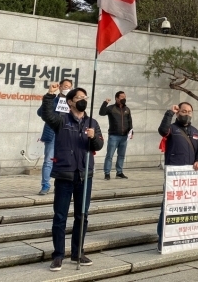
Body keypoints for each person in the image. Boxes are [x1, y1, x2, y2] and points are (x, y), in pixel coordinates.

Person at [39, 83, 104, 272]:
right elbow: (46, 115)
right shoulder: (61, 120)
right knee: (60, 216)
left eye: (85, 98)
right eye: (78, 98)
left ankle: (78, 253)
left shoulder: (92, 123)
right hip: (65, 175)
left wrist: (93, 137)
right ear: (69, 102)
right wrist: (50, 96)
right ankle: (58, 255)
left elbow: (98, 145)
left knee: (81, 216)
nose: (83, 100)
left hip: (85, 175)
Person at [156, 102, 198, 252]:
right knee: (168, 207)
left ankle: (182, 237)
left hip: (190, 177)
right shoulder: (172, 129)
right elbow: (162, 130)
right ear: (178, 113)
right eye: (183, 111)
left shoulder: (195, 131)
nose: (187, 114)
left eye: (189, 111)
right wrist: (169, 113)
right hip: (174, 177)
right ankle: (162, 238)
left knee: (186, 207)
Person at [36, 79, 74, 195]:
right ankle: (45, 185)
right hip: (52, 133)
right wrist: (50, 96)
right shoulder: (53, 99)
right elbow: (40, 113)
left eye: (69, 86)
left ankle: (62, 185)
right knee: (49, 160)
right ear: (60, 87)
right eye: (65, 86)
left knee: (66, 161)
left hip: (67, 135)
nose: (67, 88)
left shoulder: (72, 102)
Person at [99, 91, 133, 180]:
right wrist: (105, 103)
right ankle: (107, 173)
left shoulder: (127, 109)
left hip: (124, 136)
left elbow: (129, 121)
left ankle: (119, 172)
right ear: (117, 98)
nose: (124, 98)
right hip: (114, 136)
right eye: (122, 97)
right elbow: (101, 112)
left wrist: (131, 132)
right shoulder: (111, 108)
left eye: (125, 97)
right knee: (110, 155)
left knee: (121, 155)